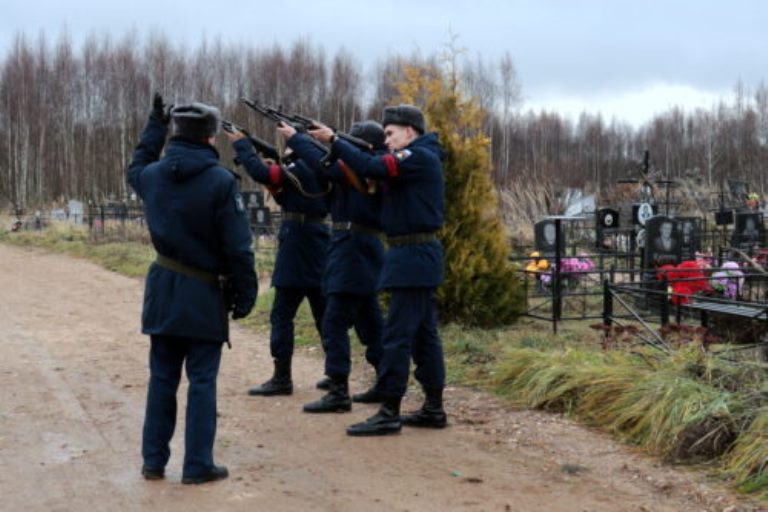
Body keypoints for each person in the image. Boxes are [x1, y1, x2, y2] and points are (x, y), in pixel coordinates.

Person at [127, 94, 257, 484]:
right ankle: (197, 465)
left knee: (162, 379)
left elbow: (136, 163)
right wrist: (245, 293)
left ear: (174, 133)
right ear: (209, 138)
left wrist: (154, 124)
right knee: (202, 381)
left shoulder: (151, 176)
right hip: (203, 295)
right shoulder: (220, 181)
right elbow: (238, 247)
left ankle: (153, 462)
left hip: (163, 291)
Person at [308, 104, 447, 436]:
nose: (386, 141)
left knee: (398, 337)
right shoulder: (415, 157)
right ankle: (433, 407)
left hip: (413, 255)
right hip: (411, 255)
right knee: (424, 335)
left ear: (410, 131)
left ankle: (389, 410)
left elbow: (373, 166)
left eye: (390, 133)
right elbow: (368, 170)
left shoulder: (418, 156)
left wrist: (335, 141)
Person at [278, 121, 387, 413]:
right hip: (361, 249)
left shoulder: (366, 169)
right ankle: (385, 381)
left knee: (334, 322)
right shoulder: (370, 169)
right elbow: (325, 169)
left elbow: (323, 165)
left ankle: (338, 390)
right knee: (370, 323)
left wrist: (298, 140)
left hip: (351, 249)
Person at [226, 124, 330, 397]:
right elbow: (286, 194)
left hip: (298, 245)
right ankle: (336, 374)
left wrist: (242, 146)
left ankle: (282, 377)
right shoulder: (320, 170)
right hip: (318, 242)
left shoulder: (298, 169)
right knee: (324, 314)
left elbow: (261, 172)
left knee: (282, 315)